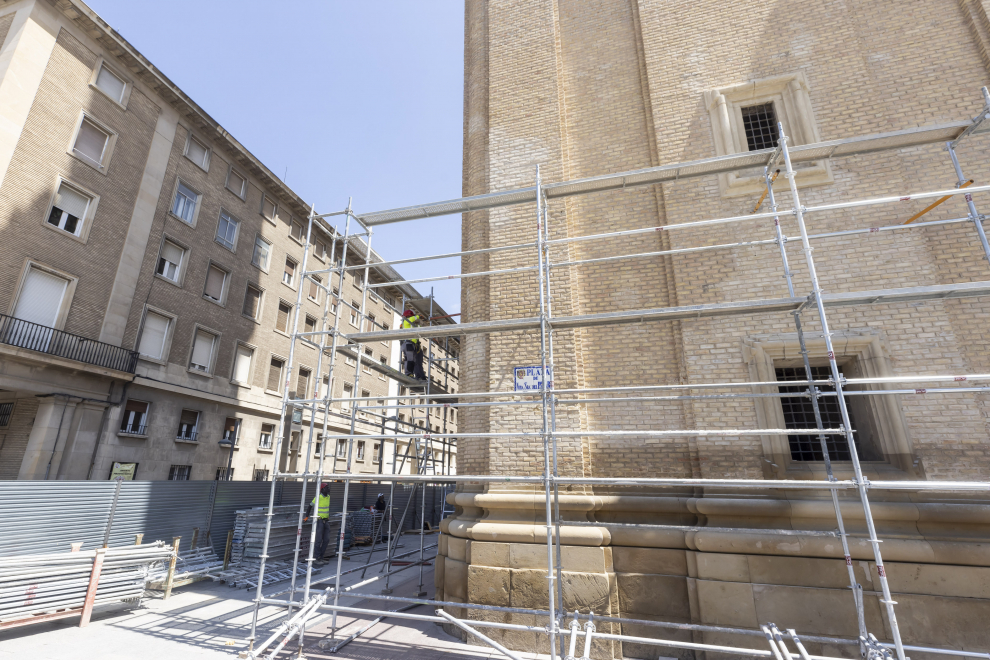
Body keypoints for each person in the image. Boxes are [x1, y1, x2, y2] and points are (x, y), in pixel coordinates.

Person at [304, 482, 332, 562]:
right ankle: (317, 557)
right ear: (322, 489)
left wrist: (328, 515)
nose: (329, 489)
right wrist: (307, 516)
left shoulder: (328, 497)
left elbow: (327, 508)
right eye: (327, 488)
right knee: (318, 540)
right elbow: (310, 506)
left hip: (326, 521)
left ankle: (321, 556)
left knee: (326, 540)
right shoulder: (318, 497)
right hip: (319, 521)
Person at [401, 310, 427, 381]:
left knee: (413, 360)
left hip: (412, 345)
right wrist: (418, 316)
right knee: (410, 360)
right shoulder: (406, 321)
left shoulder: (412, 326)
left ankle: (419, 376)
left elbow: (419, 328)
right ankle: (408, 373)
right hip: (408, 343)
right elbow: (412, 319)